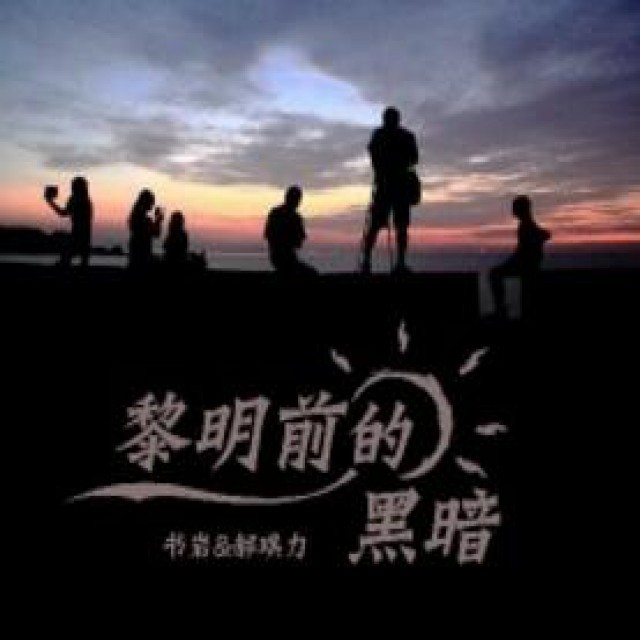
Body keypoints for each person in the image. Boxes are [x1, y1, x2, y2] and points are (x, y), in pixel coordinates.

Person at [361, 107, 419, 273]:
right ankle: (376, 261)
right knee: (388, 226)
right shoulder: (402, 136)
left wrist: (384, 166)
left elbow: (413, 159)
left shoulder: (385, 135)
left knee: (387, 226)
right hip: (392, 186)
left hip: (392, 186)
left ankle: (371, 261)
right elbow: (413, 159)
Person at [490, 195, 552, 318]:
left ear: (522, 209)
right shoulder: (527, 224)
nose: (513, 210)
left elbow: (522, 252)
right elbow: (544, 235)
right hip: (527, 265)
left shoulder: (526, 225)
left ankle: (501, 309)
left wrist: (509, 263)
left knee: (494, 274)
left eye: (515, 207)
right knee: (495, 273)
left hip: (525, 266)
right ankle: (501, 309)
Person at [264, 185, 316, 277]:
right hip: (285, 260)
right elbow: (298, 242)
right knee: (312, 274)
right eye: (297, 199)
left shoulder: (275, 213)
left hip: (279, 259)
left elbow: (268, 236)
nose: (298, 202)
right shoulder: (295, 218)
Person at [44, 176, 93, 267]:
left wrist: (50, 201)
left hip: (79, 234)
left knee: (66, 252)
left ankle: (66, 262)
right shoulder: (84, 200)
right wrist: (50, 202)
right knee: (79, 259)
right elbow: (64, 213)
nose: (72, 188)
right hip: (83, 234)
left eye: (74, 186)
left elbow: (63, 213)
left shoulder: (77, 199)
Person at [128, 189, 163, 269]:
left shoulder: (135, 216)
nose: (153, 205)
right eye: (152, 202)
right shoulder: (144, 219)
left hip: (135, 255)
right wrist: (158, 219)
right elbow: (156, 233)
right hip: (142, 257)